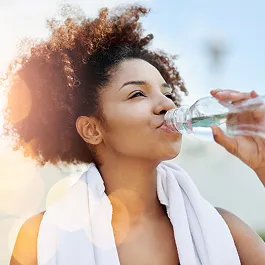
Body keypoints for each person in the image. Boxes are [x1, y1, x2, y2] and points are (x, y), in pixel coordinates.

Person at [3, 4, 265, 265]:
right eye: (137, 94)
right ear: (92, 129)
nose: (167, 105)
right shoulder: (40, 239)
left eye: (167, 93)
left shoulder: (227, 231)